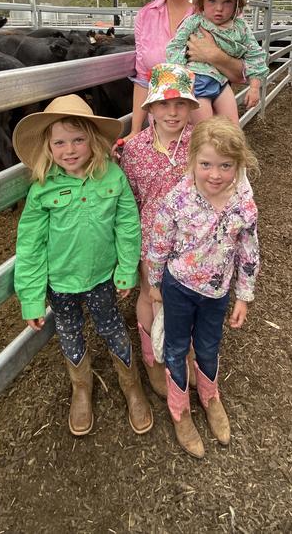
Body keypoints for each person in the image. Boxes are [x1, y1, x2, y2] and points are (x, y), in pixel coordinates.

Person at [12, 94, 152, 437]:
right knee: (69, 332)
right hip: (60, 283)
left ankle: (130, 384)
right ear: (48, 146)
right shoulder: (42, 189)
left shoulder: (113, 178)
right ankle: (81, 388)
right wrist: (31, 297)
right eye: (59, 142)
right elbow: (30, 246)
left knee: (113, 327)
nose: (70, 149)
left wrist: (125, 269)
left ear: (92, 141)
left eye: (78, 140)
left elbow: (128, 226)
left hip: (102, 276)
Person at [147, 116, 260, 459]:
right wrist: (154, 282)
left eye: (226, 165)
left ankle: (210, 397)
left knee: (209, 347)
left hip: (216, 292)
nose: (215, 174)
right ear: (192, 160)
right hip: (178, 286)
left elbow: (249, 250)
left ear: (239, 165)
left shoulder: (243, 203)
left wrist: (244, 295)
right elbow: (159, 242)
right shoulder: (177, 199)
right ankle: (179, 408)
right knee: (176, 346)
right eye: (206, 164)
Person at [120, 62, 199, 397]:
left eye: (180, 103)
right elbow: (130, 199)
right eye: (164, 104)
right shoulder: (135, 149)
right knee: (148, 296)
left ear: (190, 107)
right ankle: (153, 358)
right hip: (149, 239)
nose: (172, 111)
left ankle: (184, 352)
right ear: (150, 107)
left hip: (191, 239)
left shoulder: (199, 142)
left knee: (186, 298)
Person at [125, 0, 246, 142]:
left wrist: (214, 55)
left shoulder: (221, 10)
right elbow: (144, 77)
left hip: (214, 136)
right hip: (165, 133)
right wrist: (135, 130)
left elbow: (243, 73)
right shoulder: (146, 16)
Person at [166, 0, 268, 123]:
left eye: (227, 2)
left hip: (221, 84)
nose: (219, 8)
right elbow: (175, 46)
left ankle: (229, 148)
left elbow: (255, 55)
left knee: (232, 129)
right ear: (202, 3)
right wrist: (180, 80)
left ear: (237, 5)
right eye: (212, 1)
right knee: (206, 131)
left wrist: (254, 87)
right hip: (196, 83)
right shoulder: (194, 22)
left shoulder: (241, 28)